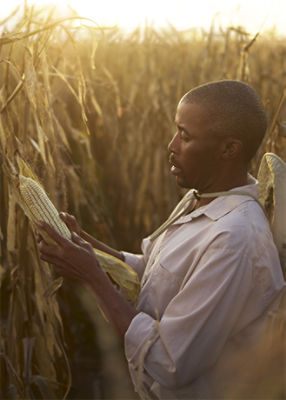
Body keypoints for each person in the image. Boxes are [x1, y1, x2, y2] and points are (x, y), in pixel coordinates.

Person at [36, 80, 286, 399]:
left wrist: (91, 276)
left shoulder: (234, 239)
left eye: (185, 135)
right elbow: (154, 271)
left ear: (228, 149)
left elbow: (169, 363)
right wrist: (86, 245)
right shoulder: (201, 197)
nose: (171, 145)